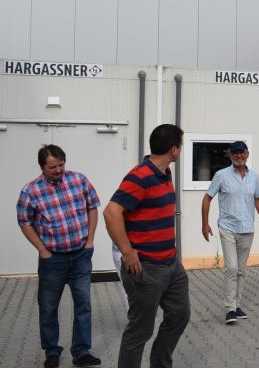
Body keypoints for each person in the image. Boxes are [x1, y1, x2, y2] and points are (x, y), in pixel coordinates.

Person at [104, 124, 191, 368]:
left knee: (180, 315)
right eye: (181, 146)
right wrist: (128, 252)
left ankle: (160, 364)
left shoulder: (165, 173)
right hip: (146, 269)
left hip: (171, 265)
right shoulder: (140, 176)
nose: (181, 150)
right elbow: (111, 213)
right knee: (140, 331)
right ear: (174, 150)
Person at [16, 144, 102, 368]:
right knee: (48, 307)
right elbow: (24, 222)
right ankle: (52, 352)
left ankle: (81, 352)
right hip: (52, 259)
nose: (58, 170)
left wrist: (90, 240)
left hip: (81, 255)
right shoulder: (30, 191)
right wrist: (42, 251)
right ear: (42, 167)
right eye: (52, 166)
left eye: (61, 165)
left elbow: (93, 206)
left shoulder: (79, 180)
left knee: (84, 304)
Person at [201, 140, 259, 324]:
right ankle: (230, 309)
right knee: (231, 268)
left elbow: (258, 199)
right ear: (230, 155)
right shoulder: (221, 176)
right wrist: (204, 224)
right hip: (227, 228)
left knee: (241, 270)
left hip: (247, 229)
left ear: (247, 154)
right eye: (235, 153)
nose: (239, 156)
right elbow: (207, 199)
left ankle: (237, 306)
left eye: (242, 152)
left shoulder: (254, 177)